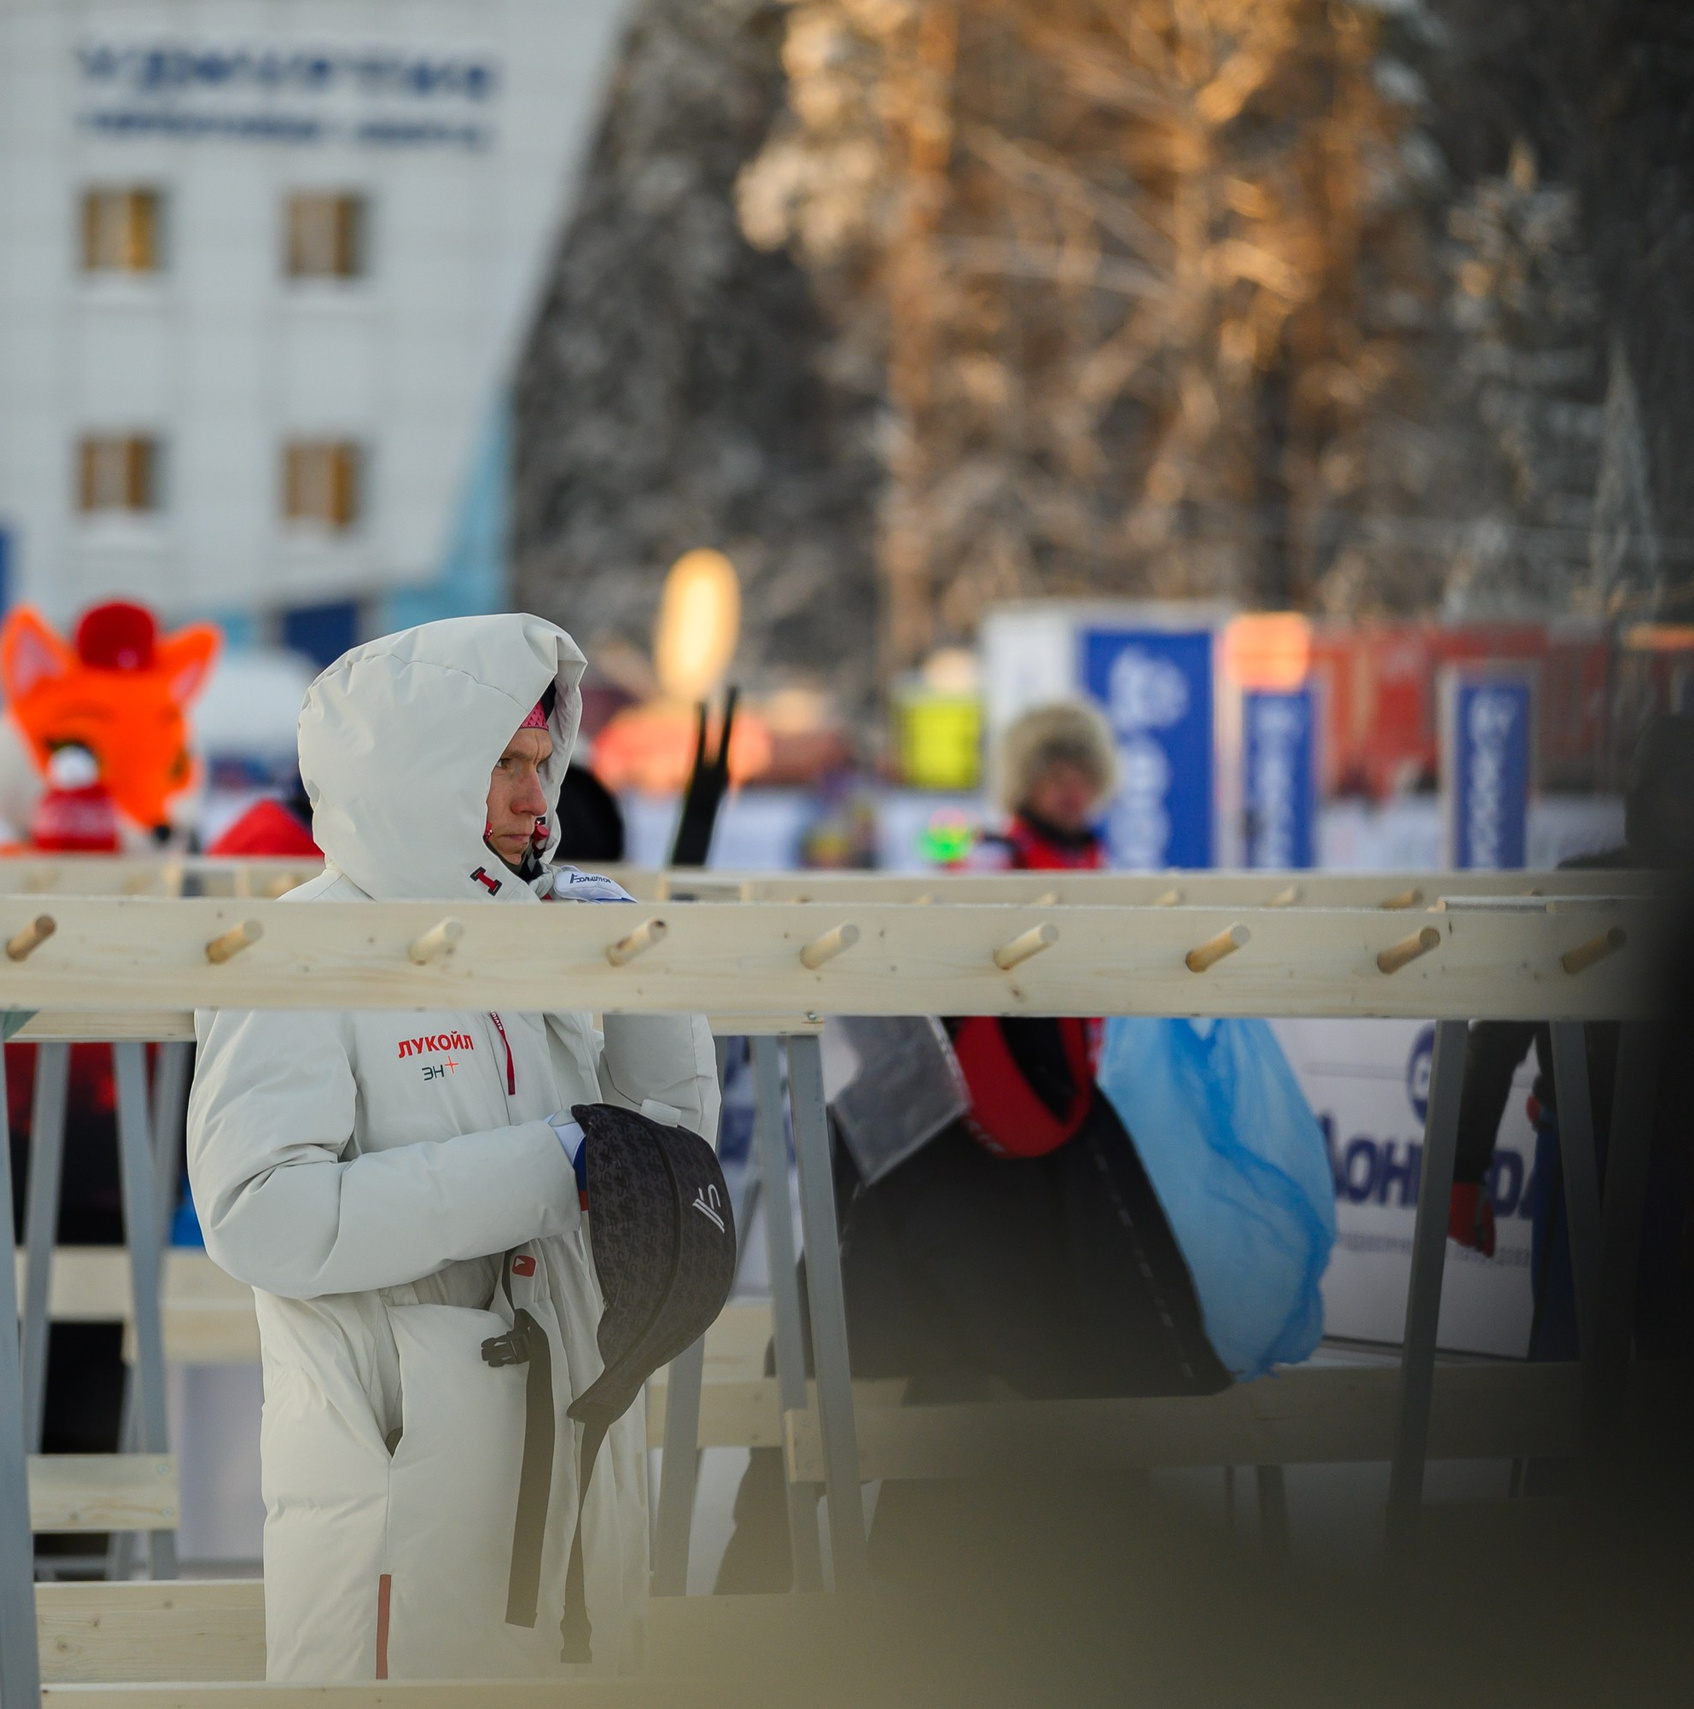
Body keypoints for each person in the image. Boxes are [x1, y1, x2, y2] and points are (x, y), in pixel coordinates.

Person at [187, 615, 718, 1679]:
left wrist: (644, 978)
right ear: (423, 777)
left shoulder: (532, 933)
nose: (539, 797)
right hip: (402, 1491)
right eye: (503, 766)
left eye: (541, 760)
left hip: (569, 1451)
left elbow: (665, 1158)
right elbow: (260, 1215)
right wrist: (542, 1170)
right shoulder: (304, 947)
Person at [716, 700, 1222, 1591]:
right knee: (973, 1349)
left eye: (1080, 771)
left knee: (989, 1358)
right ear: (1026, 782)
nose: (1068, 786)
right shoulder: (993, 865)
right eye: (1052, 771)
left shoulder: (1097, 869)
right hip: (968, 1149)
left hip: (1024, 1155)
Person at [1447, 713, 1694, 1362]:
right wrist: (1463, 1169)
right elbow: (1499, 1034)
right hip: (1584, 1153)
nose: (1683, 810)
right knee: (1565, 1370)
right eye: (1672, 789)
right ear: (1645, 795)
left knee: (1680, 1377)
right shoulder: (1582, 891)